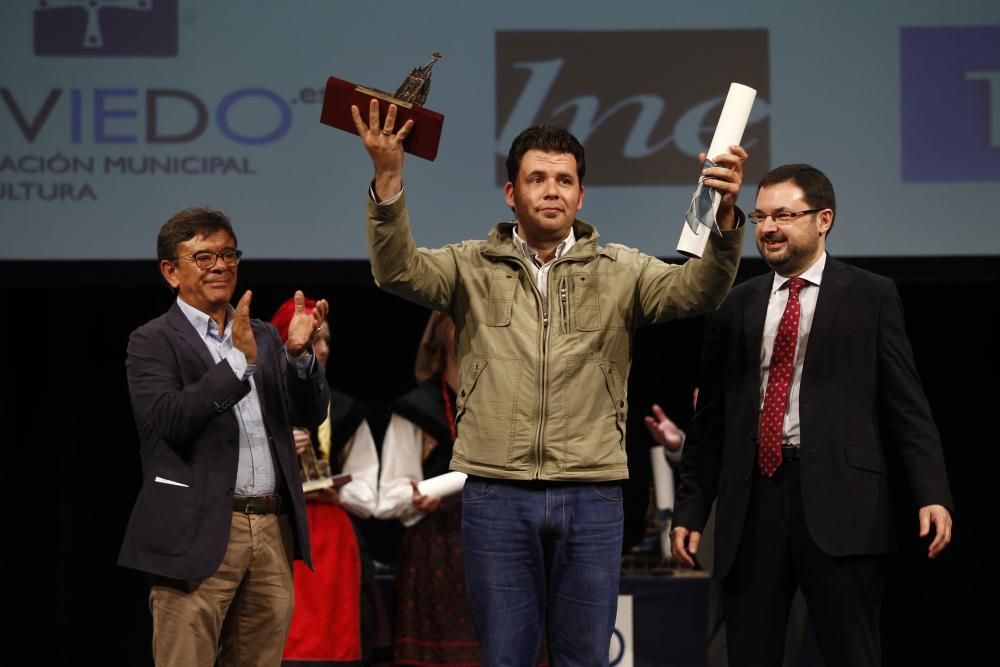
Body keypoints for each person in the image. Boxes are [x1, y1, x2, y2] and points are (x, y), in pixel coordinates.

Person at [350, 98, 748, 665]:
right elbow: (395, 270)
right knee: (506, 658)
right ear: (512, 193)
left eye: (565, 180)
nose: (552, 190)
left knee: (583, 658)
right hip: (495, 491)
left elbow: (699, 291)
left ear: (581, 195)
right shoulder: (470, 266)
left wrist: (726, 218)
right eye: (537, 178)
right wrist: (388, 176)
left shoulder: (622, 271)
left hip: (591, 492)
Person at [672, 164, 954, 667]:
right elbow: (710, 420)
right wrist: (691, 509)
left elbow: (907, 406)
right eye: (760, 215)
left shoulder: (871, 295)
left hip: (842, 504)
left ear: (824, 220)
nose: (767, 227)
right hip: (752, 502)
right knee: (750, 653)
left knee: (852, 653)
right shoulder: (734, 304)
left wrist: (931, 492)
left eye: (784, 215)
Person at [119, 207, 330, 667]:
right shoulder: (152, 341)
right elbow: (171, 418)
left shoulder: (265, 336)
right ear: (171, 272)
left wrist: (298, 358)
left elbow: (308, 413)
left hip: (271, 530)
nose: (220, 265)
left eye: (228, 254)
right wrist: (237, 364)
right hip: (196, 532)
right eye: (204, 257)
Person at [270, 297, 382, 666]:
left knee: (331, 646)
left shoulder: (345, 410)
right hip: (276, 534)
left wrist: (340, 491)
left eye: (326, 340)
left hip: (330, 537)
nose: (322, 349)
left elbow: (369, 490)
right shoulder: (256, 408)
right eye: (312, 338)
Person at [374, 311, 491, 666]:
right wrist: (416, 499)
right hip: (437, 549)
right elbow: (391, 494)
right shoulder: (418, 409)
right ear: (442, 333)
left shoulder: (509, 404)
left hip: (500, 538)